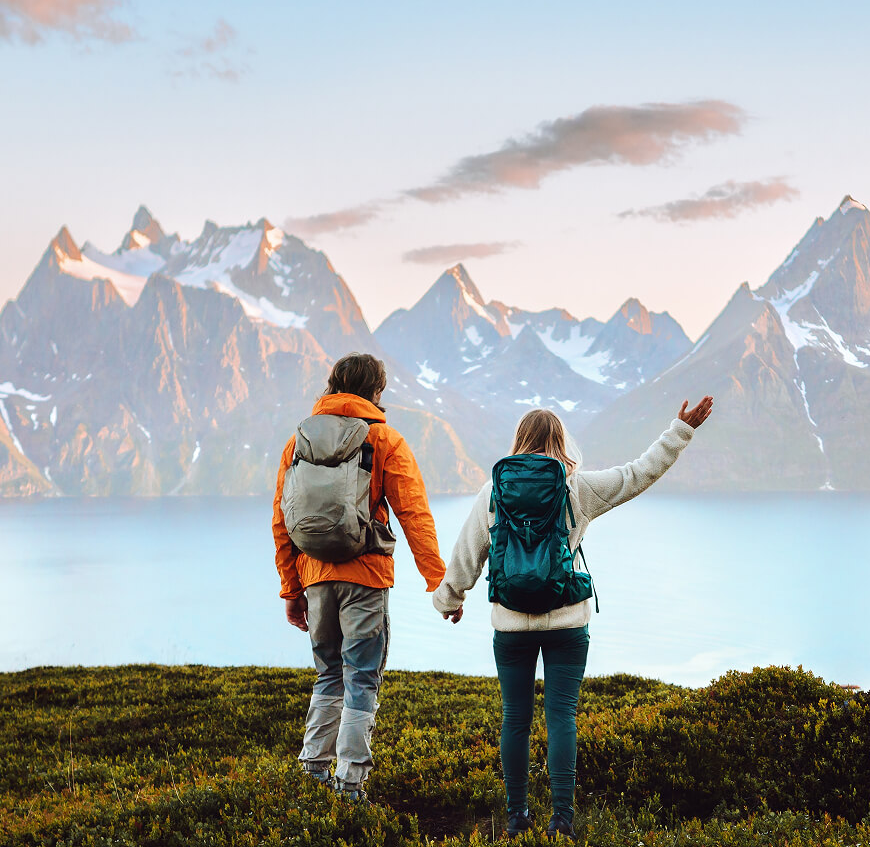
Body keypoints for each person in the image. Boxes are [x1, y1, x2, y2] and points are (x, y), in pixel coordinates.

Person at [433, 397, 713, 839]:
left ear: (519, 441)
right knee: (561, 716)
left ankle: (516, 817)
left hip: (511, 625)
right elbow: (638, 474)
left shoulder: (493, 491)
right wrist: (681, 430)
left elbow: (467, 553)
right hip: (567, 624)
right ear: (560, 442)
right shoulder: (576, 488)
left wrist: (450, 600)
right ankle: (561, 819)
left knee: (515, 719)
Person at [273, 352, 446, 801]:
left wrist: (292, 589)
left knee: (328, 674)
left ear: (332, 385)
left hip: (315, 577)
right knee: (362, 678)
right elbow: (414, 514)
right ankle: (350, 784)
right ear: (376, 391)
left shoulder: (299, 442)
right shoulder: (384, 438)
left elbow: (282, 520)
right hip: (366, 576)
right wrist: (438, 581)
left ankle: (312, 770)